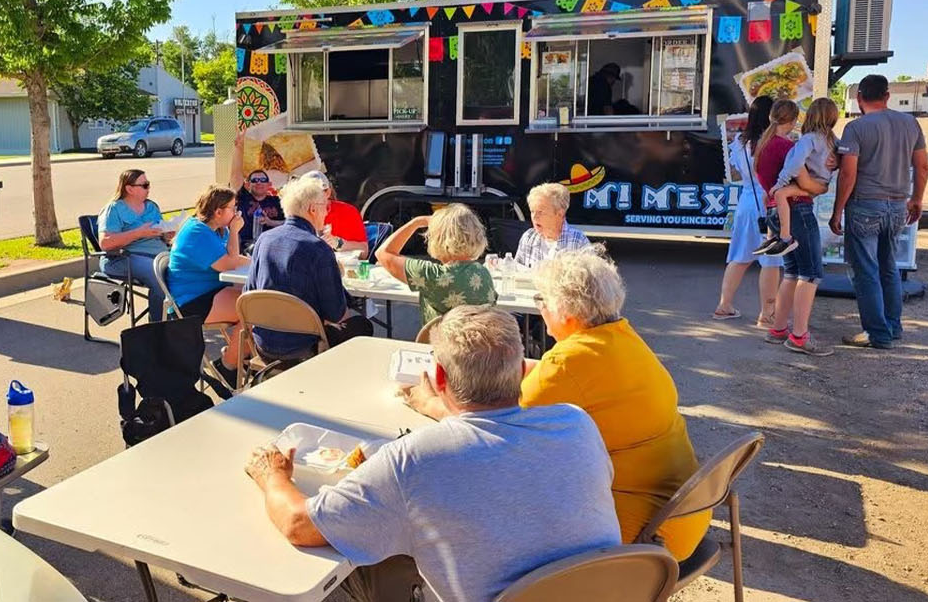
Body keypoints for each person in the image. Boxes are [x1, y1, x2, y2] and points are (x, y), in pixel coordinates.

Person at [248, 305, 621, 602]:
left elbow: (299, 525)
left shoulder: (413, 460)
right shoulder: (576, 424)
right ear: (522, 371)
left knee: (376, 550)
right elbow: (495, 436)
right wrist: (441, 411)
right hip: (602, 591)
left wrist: (272, 474)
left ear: (439, 379)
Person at [513, 247, 709, 560]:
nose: (540, 308)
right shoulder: (622, 337)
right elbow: (578, 377)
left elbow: (504, 426)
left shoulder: (566, 363)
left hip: (645, 539)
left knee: (508, 507)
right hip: (687, 513)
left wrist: (435, 405)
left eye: (542, 300)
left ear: (567, 313)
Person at [830, 75, 928, 349]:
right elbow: (922, 167)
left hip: (865, 205)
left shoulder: (856, 128)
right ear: (887, 96)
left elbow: (848, 174)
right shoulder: (910, 123)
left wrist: (837, 210)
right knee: (889, 269)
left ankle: (877, 333)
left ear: (859, 98)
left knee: (867, 272)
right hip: (898, 205)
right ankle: (893, 327)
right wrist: (917, 199)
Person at [245, 175, 372, 360]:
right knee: (361, 325)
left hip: (263, 342)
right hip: (303, 345)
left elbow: (249, 292)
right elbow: (335, 313)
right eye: (324, 207)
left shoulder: (265, 239)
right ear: (313, 209)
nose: (326, 213)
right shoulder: (318, 249)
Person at [754, 100, 833, 356]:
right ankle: (799, 336)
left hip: (775, 211)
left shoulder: (764, 145)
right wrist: (823, 186)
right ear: (795, 118)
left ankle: (779, 328)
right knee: (810, 273)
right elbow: (806, 181)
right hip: (797, 209)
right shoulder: (791, 147)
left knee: (791, 270)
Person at [714, 95, 783, 325]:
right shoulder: (773, 142)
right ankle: (767, 313)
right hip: (768, 203)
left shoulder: (740, 142)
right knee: (771, 261)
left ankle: (724, 305)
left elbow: (736, 170)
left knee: (739, 257)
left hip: (745, 201)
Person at [168, 185, 249, 375]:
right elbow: (229, 264)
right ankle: (227, 366)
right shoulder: (197, 232)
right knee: (256, 311)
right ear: (218, 211)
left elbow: (234, 258)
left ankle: (236, 358)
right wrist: (235, 231)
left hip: (211, 292)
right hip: (191, 302)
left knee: (258, 303)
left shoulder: (217, 229)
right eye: (233, 208)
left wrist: (262, 261)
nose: (236, 213)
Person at [375, 203, 497, 324]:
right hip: (477, 341)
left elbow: (383, 253)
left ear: (439, 239)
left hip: (441, 341)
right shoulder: (483, 272)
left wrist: (415, 223)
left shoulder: (432, 275)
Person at [755, 99, 839, 256]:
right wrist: (838, 162)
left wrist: (781, 183)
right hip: (818, 183)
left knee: (778, 193)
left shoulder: (806, 140)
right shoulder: (833, 140)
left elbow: (795, 163)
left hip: (806, 186)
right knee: (808, 271)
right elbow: (845, 154)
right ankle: (779, 238)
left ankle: (781, 238)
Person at [98, 169, 171, 322]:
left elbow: (160, 233)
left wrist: (167, 235)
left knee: (186, 268)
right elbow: (105, 243)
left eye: (148, 184)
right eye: (144, 185)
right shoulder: (114, 209)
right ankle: (158, 327)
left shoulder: (152, 207)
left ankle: (180, 318)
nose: (148, 188)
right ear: (129, 189)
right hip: (124, 258)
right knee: (157, 275)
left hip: (160, 254)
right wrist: (138, 233)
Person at [228, 131, 284, 249]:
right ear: (248, 185)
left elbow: (291, 224)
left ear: (269, 184)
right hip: (247, 246)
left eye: (263, 180)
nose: (259, 182)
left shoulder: (278, 201)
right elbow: (235, 177)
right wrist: (239, 148)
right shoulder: (243, 198)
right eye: (254, 180)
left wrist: (271, 222)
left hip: (272, 246)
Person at [516, 183, 591, 269]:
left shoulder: (578, 242)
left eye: (540, 212)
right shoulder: (528, 237)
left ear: (560, 214)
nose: (534, 217)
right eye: (532, 211)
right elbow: (515, 273)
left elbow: (591, 279)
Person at [300, 170, 368, 255]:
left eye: (314, 194)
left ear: (327, 193)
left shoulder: (347, 212)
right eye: (304, 195)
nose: (309, 199)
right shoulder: (299, 214)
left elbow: (364, 252)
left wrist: (337, 243)